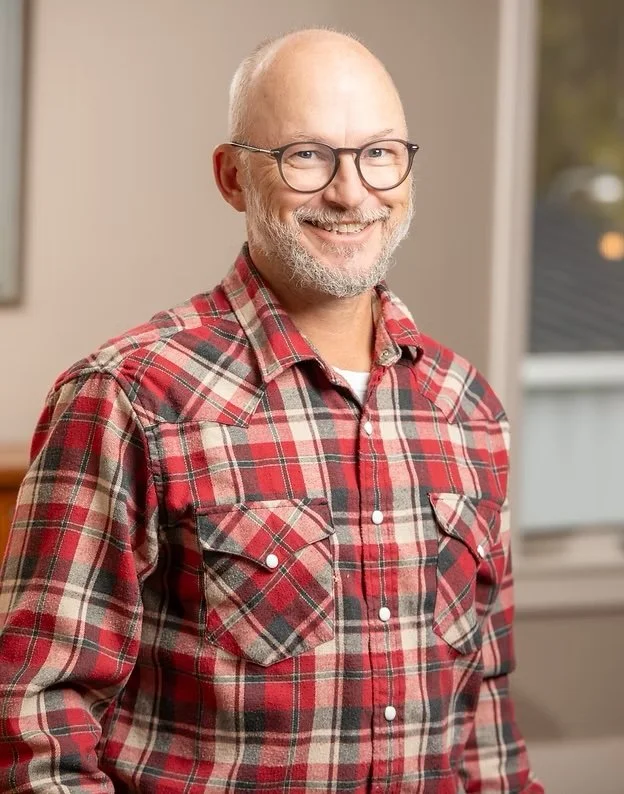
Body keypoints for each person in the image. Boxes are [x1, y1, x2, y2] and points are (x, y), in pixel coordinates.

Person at [0, 28, 543, 794]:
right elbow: (34, 721)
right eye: (307, 155)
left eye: (379, 153)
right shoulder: (127, 396)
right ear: (232, 178)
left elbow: (485, 722)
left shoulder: (469, 411)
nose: (352, 192)